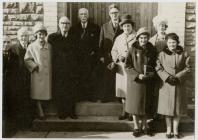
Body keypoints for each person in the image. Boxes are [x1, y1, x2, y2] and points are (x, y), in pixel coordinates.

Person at [155, 33, 191, 139]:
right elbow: (158, 68)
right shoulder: (161, 54)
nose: (172, 44)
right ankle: (168, 130)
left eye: (174, 42)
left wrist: (178, 76)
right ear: (167, 43)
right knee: (168, 110)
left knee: (177, 109)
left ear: (177, 43)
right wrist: (167, 77)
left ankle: (175, 131)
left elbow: (188, 68)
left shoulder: (184, 54)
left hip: (179, 85)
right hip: (166, 85)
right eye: (170, 42)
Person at [125, 27, 157, 137]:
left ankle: (145, 126)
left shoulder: (152, 49)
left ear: (148, 38)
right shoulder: (132, 49)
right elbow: (127, 66)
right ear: (138, 38)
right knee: (135, 106)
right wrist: (137, 75)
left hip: (148, 82)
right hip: (136, 83)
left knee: (146, 105)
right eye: (141, 38)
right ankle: (136, 127)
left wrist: (150, 74)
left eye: (145, 38)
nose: (143, 40)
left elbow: (155, 65)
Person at [48, 16, 78, 119]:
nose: (65, 25)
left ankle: (71, 112)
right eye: (62, 23)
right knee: (60, 91)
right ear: (59, 25)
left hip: (71, 70)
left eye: (67, 23)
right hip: (58, 70)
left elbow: (78, 54)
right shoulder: (52, 37)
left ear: (69, 25)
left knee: (72, 90)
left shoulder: (74, 37)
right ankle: (62, 112)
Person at [6, 27, 34, 130]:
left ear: (28, 37)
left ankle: (28, 124)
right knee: (19, 103)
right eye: (22, 36)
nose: (24, 38)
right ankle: (19, 125)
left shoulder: (31, 47)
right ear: (18, 37)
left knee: (28, 102)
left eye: (25, 36)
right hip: (18, 80)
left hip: (29, 79)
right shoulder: (13, 49)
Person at [70, 8, 100, 102]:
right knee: (79, 77)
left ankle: (90, 96)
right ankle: (80, 97)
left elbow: (98, 43)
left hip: (91, 58)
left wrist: (94, 53)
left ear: (88, 16)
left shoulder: (95, 28)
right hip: (78, 58)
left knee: (91, 77)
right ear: (79, 16)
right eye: (81, 14)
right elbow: (72, 44)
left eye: (85, 14)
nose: (83, 16)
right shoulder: (73, 28)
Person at [111, 14, 136, 120]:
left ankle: (131, 113)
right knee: (123, 92)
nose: (126, 28)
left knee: (132, 90)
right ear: (122, 27)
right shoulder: (119, 38)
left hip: (132, 67)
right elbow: (113, 50)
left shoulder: (136, 37)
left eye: (128, 26)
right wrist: (117, 57)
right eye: (125, 26)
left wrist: (129, 57)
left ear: (132, 26)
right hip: (121, 67)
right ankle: (124, 112)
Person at [24, 23, 52, 120]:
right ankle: (40, 112)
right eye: (39, 34)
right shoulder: (32, 46)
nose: (41, 36)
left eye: (43, 34)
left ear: (45, 35)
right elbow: (27, 59)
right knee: (38, 93)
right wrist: (34, 66)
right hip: (37, 74)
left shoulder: (49, 46)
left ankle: (43, 110)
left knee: (45, 92)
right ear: (36, 35)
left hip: (47, 74)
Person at [99, 4, 123, 102]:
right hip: (107, 56)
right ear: (109, 14)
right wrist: (101, 56)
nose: (114, 15)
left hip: (119, 56)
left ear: (119, 13)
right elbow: (100, 42)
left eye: (116, 13)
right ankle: (106, 97)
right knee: (107, 76)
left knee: (118, 76)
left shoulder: (123, 26)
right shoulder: (104, 27)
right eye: (112, 13)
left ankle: (118, 97)